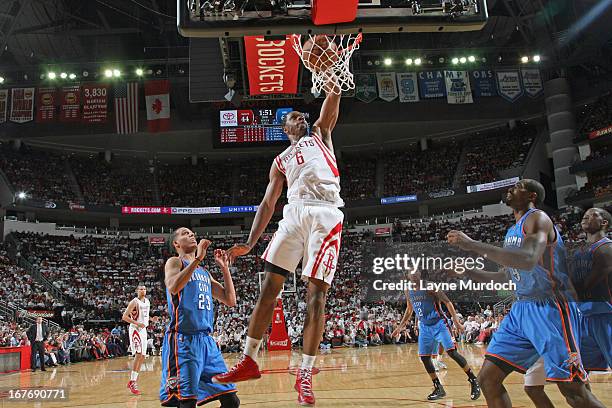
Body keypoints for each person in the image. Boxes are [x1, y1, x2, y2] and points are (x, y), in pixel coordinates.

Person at [213, 79, 345, 406]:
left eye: (302, 116)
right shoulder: (280, 161)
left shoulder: (320, 135)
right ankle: (249, 360)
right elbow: (268, 204)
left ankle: (304, 372)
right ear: (284, 127)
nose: (300, 119)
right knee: (268, 289)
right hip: (293, 214)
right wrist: (248, 242)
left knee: (316, 297)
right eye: (294, 118)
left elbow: (333, 99)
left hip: (326, 215)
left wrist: (334, 80)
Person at [447, 179, 604, 408]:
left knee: (572, 389)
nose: (511, 189)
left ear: (531, 196)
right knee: (488, 379)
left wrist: (473, 245)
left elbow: (528, 259)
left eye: (518, 187)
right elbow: (505, 276)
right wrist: (466, 272)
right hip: (522, 309)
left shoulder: (538, 218)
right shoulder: (513, 230)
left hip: (550, 308)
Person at [160, 228, 239, 408]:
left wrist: (225, 268)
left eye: (192, 233)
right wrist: (198, 258)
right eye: (185, 233)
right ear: (176, 243)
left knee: (231, 400)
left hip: (207, 343)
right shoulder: (175, 262)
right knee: (186, 402)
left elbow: (230, 300)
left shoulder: (204, 272)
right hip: (183, 341)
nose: (191, 234)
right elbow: (173, 286)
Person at [392, 272, 480, 401]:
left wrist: (456, 322)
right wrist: (400, 327)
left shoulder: (430, 286)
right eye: (412, 273)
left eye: (416, 272)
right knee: (425, 358)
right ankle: (438, 387)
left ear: (420, 274)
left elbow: (448, 302)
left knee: (452, 352)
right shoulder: (407, 290)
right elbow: (410, 309)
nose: (415, 275)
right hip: (424, 327)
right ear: (408, 276)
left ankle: (473, 379)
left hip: (439, 323)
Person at [570, 208, 611, 373]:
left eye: (593, 215)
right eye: (584, 215)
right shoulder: (579, 251)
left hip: (607, 315)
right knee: (582, 372)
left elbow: (587, 284)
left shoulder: (606, 248)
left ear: (604, 222)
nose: (586, 216)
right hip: (585, 317)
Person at [122, 285, 156, 395]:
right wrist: (137, 323)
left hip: (143, 329)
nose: (143, 290)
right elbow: (124, 317)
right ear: (137, 291)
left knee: (142, 356)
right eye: (141, 289)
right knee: (138, 354)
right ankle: (132, 381)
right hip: (135, 329)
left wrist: (151, 319)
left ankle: (133, 380)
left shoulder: (147, 301)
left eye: (145, 289)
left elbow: (145, 316)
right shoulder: (134, 302)